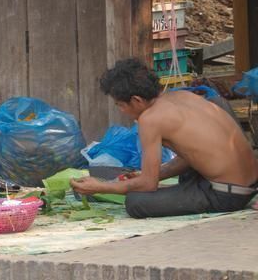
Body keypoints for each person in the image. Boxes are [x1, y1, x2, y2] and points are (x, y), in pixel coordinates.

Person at [71, 58, 258, 218]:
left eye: (120, 105)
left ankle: (183, 194)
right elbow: (191, 154)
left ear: (136, 100)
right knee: (141, 183)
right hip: (249, 182)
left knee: (136, 202)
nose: (121, 110)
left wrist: (101, 187)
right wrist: (157, 173)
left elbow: (148, 185)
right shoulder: (183, 96)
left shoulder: (149, 119)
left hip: (228, 195)